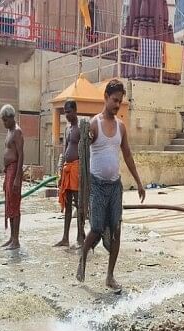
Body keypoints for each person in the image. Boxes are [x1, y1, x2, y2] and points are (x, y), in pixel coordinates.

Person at [76, 79, 146, 290]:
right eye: (115, 100)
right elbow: (83, 150)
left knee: (116, 230)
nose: (117, 105)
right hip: (97, 186)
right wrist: (85, 137)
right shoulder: (93, 124)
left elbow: (128, 156)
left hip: (115, 186)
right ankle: (83, 260)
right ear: (105, 97)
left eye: (120, 101)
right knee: (96, 229)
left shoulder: (121, 127)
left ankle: (110, 276)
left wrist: (139, 182)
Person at [54, 100, 85, 249]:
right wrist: (60, 170)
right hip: (67, 170)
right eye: (65, 112)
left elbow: (86, 151)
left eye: (69, 111)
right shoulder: (67, 129)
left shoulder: (81, 128)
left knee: (78, 204)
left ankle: (80, 237)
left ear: (75, 111)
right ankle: (65, 237)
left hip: (77, 170)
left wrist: (84, 173)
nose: (66, 114)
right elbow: (64, 149)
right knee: (67, 204)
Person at [0, 104, 24, 250]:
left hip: (14, 170)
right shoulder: (9, 131)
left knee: (15, 205)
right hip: (8, 170)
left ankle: (16, 240)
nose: (4, 123)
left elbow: (21, 155)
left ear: (11, 117)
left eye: (5, 120)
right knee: (9, 204)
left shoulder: (17, 132)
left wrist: (17, 177)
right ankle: (12, 238)